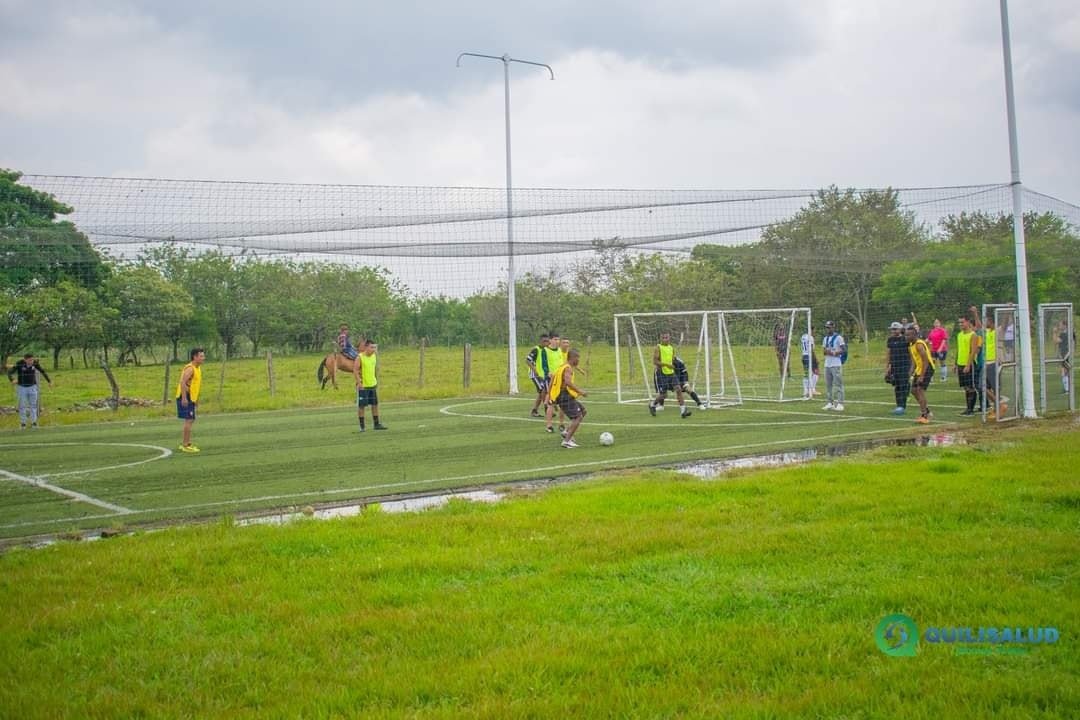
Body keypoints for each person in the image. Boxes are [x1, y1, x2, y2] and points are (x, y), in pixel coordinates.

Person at [549, 348, 588, 449]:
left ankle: (567, 431)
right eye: (578, 358)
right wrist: (580, 391)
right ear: (573, 358)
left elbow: (552, 380)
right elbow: (567, 382)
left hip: (562, 395)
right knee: (578, 417)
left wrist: (550, 395)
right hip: (564, 396)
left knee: (583, 411)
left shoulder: (561, 366)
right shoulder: (568, 368)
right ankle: (566, 441)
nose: (578, 360)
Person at [649, 331, 691, 418]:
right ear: (660, 338)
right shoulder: (658, 347)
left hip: (671, 374)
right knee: (664, 395)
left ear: (669, 338)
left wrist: (673, 365)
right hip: (662, 374)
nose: (665, 339)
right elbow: (655, 361)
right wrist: (667, 365)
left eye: (666, 337)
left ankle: (683, 411)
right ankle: (652, 404)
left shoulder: (671, 348)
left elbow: (671, 360)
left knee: (679, 389)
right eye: (663, 338)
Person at [7, 353, 52, 429]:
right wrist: (12, 380)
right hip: (22, 388)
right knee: (22, 406)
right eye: (29, 360)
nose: (31, 361)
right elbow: (9, 372)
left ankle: (34, 423)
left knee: (33, 405)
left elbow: (42, 371)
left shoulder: (35, 363)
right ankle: (23, 423)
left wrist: (49, 381)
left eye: (32, 359)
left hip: (33, 387)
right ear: (25, 360)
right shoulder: (19, 363)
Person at [175, 348, 205, 453]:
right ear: (195, 357)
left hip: (191, 398)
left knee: (191, 419)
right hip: (185, 397)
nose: (203, 358)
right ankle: (185, 445)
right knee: (189, 420)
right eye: (201, 356)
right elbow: (182, 382)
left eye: (203, 356)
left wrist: (196, 400)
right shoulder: (190, 368)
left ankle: (186, 443)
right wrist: (184, 397)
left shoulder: (198, 368)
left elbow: (195, 386)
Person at [353, 339, 387, 432]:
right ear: (366, 347)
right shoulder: (359, 357)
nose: (374, 349)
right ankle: (362, 427)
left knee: (375, 404)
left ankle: (376, 424)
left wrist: (376, 381)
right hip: (363, 386)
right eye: (372, 347)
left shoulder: (374, 356)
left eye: (375, 347)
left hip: (372, 384)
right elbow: (355, 370)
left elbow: (375, 369)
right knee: (362, 406)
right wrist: (359, 383)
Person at [906, 324, 935, 424]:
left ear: (914, 335)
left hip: (927, 368)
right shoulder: (911, 346)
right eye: (906, 335)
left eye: (909, 335)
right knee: (913, 391)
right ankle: (926, 410)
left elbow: (925, 360)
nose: (907, 337)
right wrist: (910, 372)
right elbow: (914, 360)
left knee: (920, 390)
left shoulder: (919, 345)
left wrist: (922, 376)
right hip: (919, 369)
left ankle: (924, 416)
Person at [955, 315, 981, 416]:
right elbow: (959, 349)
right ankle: (968, 408)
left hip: (969, 364)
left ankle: (970, 410)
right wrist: (956, 363)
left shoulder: (973, 335)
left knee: (970, 386)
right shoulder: (959, 335)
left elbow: (973, 351)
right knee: (965, 387)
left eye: (962, 322)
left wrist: (968, 364)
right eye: (959, 323)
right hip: (960, 363)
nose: (961, 324)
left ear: (968, 322)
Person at [884, 321, 911, 415]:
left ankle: (902, 406)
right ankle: (898, 405)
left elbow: (911, 353)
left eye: (895, 329)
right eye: (892, 329)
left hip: (904, 366)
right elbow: (888, 353)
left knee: (903, 386)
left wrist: (911, 367)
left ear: (900, 329)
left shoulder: (905, 339)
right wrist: (887, 367)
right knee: (897, 386)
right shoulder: (890, 340)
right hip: (894, 366)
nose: (893, 331)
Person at [543, 333, 566, 434]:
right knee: (551, 403)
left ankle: (561, 424)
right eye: (555, 339)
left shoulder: (560, 350)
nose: (557, 341)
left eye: (558, 339)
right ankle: (549, 425)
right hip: (551, 380)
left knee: (562, 403)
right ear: (550, 340)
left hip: (561, 379)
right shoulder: (545, 351)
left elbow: (562, 364)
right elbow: (544, 364)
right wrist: (548, 373)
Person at [821, 321, 846, 411]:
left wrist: (835, 352)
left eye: (829, 327)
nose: (827, 329)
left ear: (833, 327)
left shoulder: (838, 337)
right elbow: (824, 351)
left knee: (838, 383)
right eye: (826, 327)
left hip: (836, 363)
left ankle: (840, 403)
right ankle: (830, 402)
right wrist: (828, 351)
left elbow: (844, 349)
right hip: (827, 364)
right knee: (828, 385)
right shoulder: (825, 339)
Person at [983, 316, 1004, 418]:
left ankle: (998, 409)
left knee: (996, 387)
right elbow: (978, 326)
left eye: (986, 320)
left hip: (995, 362)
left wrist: (1007, 312)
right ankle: (998, 406)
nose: (985, 322)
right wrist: (975, 314)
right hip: (986, 362)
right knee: (982, 386)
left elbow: (1004, 325)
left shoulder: (998, 330)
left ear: (991, 321)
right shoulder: (986, 331)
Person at [525, 333, 549, 418]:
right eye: (544, 341)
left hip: (543, 374)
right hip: (535, 374)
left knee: (541, 391)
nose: (546, 343)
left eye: (547, 341)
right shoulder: (536, 349)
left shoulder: (546, 350)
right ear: (540, 341)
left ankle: (534, 410)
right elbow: (527, 360)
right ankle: (547, 408)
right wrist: (534, 370)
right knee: (543, 389)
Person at [927, 318, 949, 383]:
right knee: (932, 362)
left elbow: (944, 340)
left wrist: (940, 348)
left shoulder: (942, 330)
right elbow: (928, 339)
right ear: (933, 324)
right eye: (935, 323)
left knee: (942, 362)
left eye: (937, 323)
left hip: (942, 350)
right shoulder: (932, 331)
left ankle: (943, 377)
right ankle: (930, 378)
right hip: (933, 350)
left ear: (940, 324)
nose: (936, 324)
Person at [800, 326, 819, 399]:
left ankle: (805, 391)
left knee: (806, 374)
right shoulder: (810, 337)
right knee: (816, 372)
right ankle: (812, 389)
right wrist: (815, 358)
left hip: (804, 356)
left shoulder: (803, 336)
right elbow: (811, 350)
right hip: (809, 356)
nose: (814, 332)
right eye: (814, 330)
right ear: (810, 330)